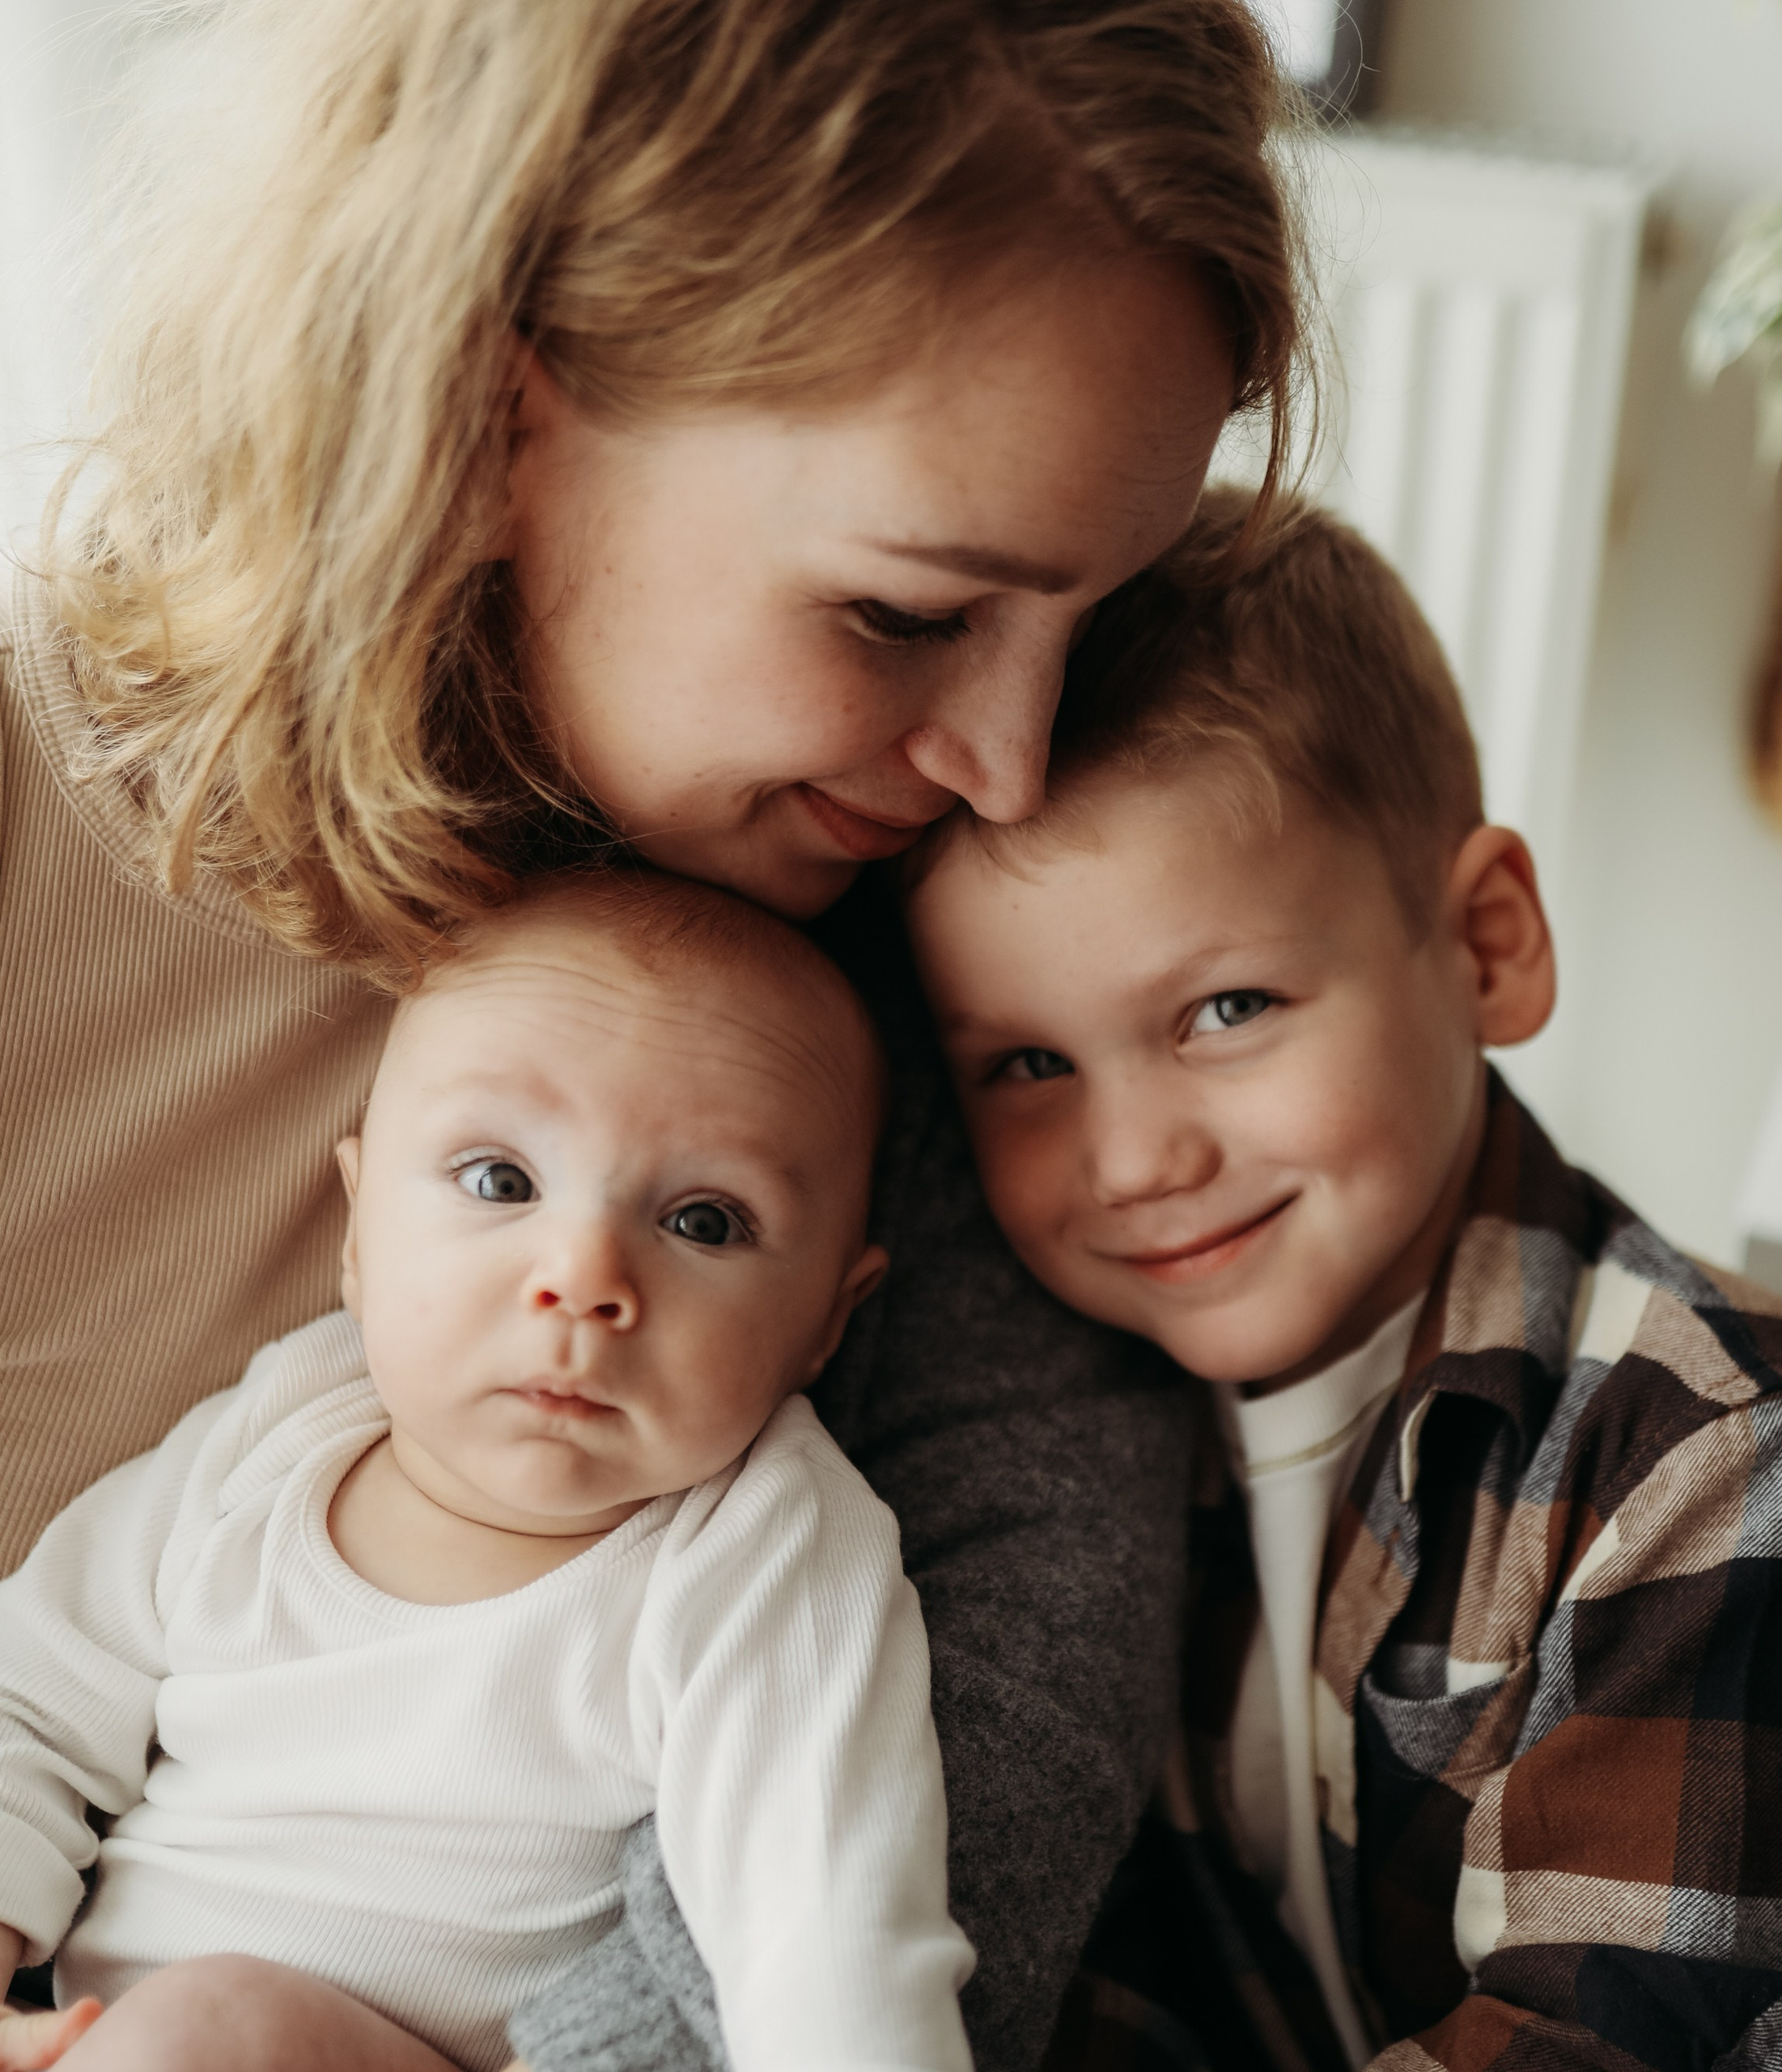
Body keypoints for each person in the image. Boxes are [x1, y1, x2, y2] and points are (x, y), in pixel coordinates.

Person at [0, 2, 1304, 2066]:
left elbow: (958, 1788)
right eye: (904, 612)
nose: (1007, 768)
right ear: (484, 417)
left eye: (1088, 617)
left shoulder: (855, 980)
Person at [903, 490, 1782, 2072]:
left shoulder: (1721, 1446)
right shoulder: (1059, 1418)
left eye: (1227, 1009)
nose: (1133, 1158)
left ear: (1486, 944)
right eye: (1028, 1063)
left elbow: (1623, 2037)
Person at [0, 868, 978, 2072]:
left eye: (705, 1221)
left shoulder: (761, 1541)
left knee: (212, 2027)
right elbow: (29, 1701)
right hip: (87, 2034)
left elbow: (826, 1930)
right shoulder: (283, 1423)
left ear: (828, 1319)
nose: (583, 1277)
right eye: (499, 1182)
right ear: (358, 1236)